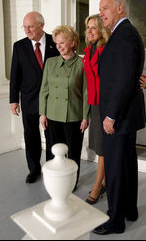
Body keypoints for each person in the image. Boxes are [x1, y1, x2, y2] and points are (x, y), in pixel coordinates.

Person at [92, 0, 146, 235]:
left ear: (120, 9)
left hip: (119, 116)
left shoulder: (124, 35)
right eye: (100, 8)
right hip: (125, 114)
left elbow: (123, 80)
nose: (101, 12)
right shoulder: (123, 33)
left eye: (105, 8)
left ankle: (115, 220)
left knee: (115, 168)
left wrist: (111, 116)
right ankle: (129, 210)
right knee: (126, 164)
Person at [82, 14, 146, 205]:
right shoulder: (87, 52)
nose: (89, 31)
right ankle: (104, 183)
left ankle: (98, 186)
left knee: (106, 150)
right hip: (94, 104)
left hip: (108, 106)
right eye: (88, 27)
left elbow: (124, 75)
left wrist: (144, 82)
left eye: (94, 27)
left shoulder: (107, 48)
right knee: (99, 147)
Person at [9, 11, 59, 184]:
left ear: (41, 26)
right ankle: (34, 170)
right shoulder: (19, 46)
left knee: (52, 135)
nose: (27, 30)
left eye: (30, 26)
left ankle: (52, 169)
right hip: (29, 99)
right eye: (24, 27)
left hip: (52, 100)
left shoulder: (55, 41)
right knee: (31, 136)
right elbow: (15, 75)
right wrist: (13, 99)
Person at [39, 25, 90, 190]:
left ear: (73, 42)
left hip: (73, 116)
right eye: (56, 43)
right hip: (52, 114)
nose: (59, 46)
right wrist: (42, 113)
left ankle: (71, 182)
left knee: (73, 153)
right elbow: (44, 90)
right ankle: (54, 180)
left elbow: (86, 93)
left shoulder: (82, 63)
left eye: (62, 42)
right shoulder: (50, 62)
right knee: (53, 151)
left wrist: (85, 117)